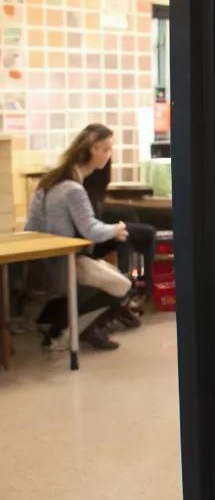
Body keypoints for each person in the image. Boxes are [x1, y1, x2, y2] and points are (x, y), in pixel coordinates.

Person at [26, 124, 135, 351]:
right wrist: (116, 230)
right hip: (64, 264)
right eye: (106, 148)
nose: (109, 154)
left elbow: (31, 226)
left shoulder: (49, 181)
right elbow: (91, 230)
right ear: (94, 149)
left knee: (108, 275)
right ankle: (66, 332)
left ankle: (58, 325)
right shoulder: (73, 189)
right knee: (121, 286)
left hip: (44, 263)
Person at [82, 160, 156, 301]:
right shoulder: (86, 186)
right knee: (143, 231)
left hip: (94, 233)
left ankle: (133, 287)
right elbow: (91, 225)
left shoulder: (87, 184)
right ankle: (141, 289)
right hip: (90, 241)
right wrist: (113, 230)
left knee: (128, 223)